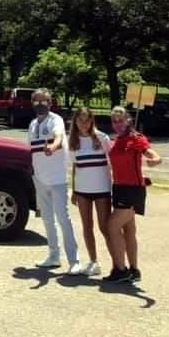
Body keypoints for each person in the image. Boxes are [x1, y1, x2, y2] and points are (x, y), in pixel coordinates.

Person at [103, 106, 162, 284]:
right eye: (114, 120)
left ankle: (121, 270)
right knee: (129, 229)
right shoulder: (117, 140)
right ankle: (134, 270)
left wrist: (156, 160)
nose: (117, 123)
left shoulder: (136, 139)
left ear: (128, 120)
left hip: (133, 189)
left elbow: (151, 153)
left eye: (120, 120)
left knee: (112, 226)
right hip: (119, 187)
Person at [28, 89, 83, 274]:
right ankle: (53, 256)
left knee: (63, 219)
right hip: (39, 178)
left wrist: (52, 147)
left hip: (57, 178)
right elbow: (33, 150)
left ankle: (74, 260)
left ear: (51, 103)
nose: (41, 104)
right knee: (47, 219)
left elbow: (59, 138)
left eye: (45, 101)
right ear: (33, 103)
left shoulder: (55, 120)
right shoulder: (33, 124)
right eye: (37, 101)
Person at [67, 107, 112, 277]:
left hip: (102, 189)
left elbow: (112, 161)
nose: (84, 124)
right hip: (82, 190)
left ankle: (118, 264)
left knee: (105, 227)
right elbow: (75, 167)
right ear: (75, 122)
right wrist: (74, 191)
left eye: (87, 120)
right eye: (80, 120)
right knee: (87, 227)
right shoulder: (72, 141)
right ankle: (94, 262)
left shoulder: (102, 138)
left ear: (92, 121)